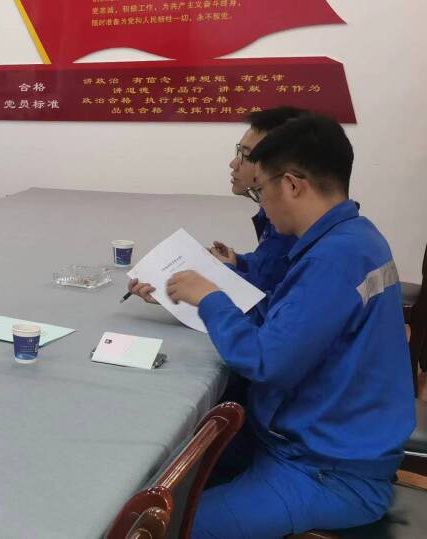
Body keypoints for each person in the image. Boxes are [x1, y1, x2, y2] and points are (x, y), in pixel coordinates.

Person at [155, 115, 414, 537]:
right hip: (317, 442)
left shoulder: (333, 259)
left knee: (163, 526)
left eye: (261, 190)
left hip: (326, 472)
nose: (262, 203)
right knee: (169, 468)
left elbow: (265, 361)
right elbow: (284, 319)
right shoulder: (352, 236)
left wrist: (211, 298)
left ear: (292, 185)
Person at [130, 107, 305, 319]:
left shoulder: (293, 227)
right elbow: (272, 270)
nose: (234, 164)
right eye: (238, 152)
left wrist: (220, 278)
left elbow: (263, 313)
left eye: (246, 156)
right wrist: (235, 263)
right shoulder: (279, 214)